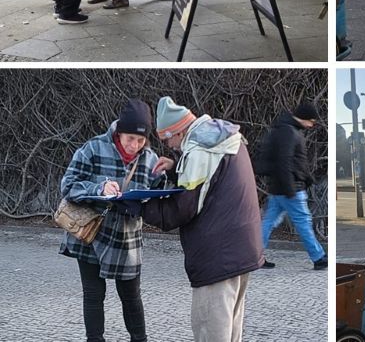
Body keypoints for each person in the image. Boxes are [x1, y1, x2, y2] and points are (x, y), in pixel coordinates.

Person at [140, 97, 264, 342]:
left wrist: (140, 205)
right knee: (231, 333)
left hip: (217, 257)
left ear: (178, 131)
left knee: (211, 332)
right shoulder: (220, 136)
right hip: (241, 249)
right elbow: (212, 183)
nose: (171, 146)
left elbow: (182, 209)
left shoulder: (199, 150)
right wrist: (177, 168)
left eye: (168, 140)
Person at [59, 99, 168, 342]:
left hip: (126, 236)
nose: (135, 145)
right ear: (119, 131)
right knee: (93, 294)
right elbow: (67, 185)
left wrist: (164, 181)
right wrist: (99, 188)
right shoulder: (93, 148)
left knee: (131, 295)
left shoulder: (150, 159)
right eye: (130, 138)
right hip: (90, 234)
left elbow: (161, 194)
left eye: (141, 140)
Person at [259, 100, 328, 270]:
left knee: (268, 222)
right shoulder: (289, 132)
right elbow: (285, 161)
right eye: (312, 121)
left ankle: (255, 257)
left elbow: (294, 162)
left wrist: (308, 178)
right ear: (304, 118)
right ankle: (319, 257)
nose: (312, 125)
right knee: (303, 222)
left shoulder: (286, 129)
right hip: (291, 188)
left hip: (279, 188)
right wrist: (291, 188)